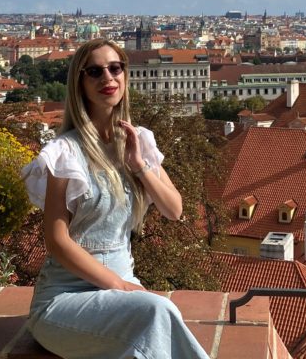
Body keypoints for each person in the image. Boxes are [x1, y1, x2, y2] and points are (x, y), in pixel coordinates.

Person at [22, 38, 210, 359]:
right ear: (79, 83)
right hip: (67, 299)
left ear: (125, 74)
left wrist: (140, 167)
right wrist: (119, 286)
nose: (107, 78)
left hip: (121, 293)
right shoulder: (65, 152)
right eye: (94, 71)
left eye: (115, 68)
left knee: (156, 323)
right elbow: (55, 240)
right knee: (157, 312)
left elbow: (174, 209)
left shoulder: (139, 141)